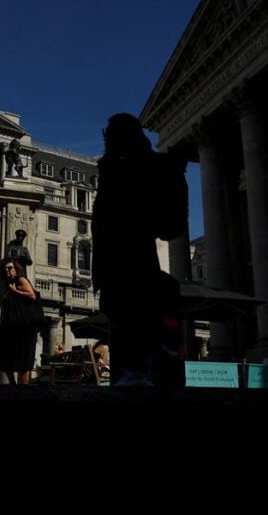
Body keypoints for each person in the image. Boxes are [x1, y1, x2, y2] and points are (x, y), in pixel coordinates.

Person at [92, 113, 178, 386]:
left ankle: (140, 366)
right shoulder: (115, 169)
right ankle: (141, 365)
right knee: (130, 316)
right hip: (125, 260)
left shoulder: (124, 171)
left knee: (132, 315)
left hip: (127, 259)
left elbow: (102, 223)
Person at [0, 258, 38, 385]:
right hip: (10, 326)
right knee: (5, 355)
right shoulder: (7, 284)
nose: (8, 271)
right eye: (5, 269)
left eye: (10, 268)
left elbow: (32, 295)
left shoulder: (21, 279)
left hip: (23, 326)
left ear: (16, 269)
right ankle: (13, 384)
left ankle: (23, 386)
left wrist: (16, 291)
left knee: (23, 357)